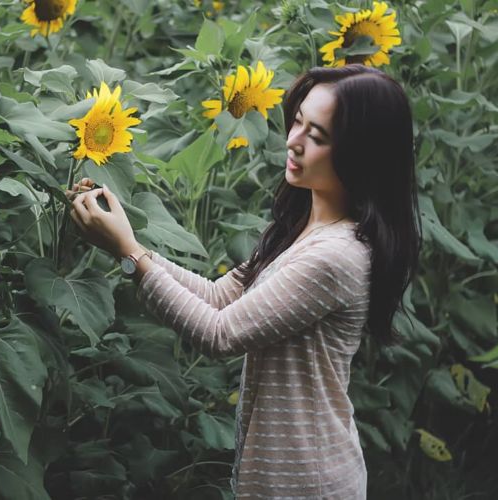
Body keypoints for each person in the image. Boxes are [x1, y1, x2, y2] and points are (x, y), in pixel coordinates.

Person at [65, 64, 421, 499]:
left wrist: (130, 254)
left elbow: (221, 333)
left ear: (361, 155)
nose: (292, 140)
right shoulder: (305, 230)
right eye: (297, 122)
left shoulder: (337, 256)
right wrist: (125, 240)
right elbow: (220, 297)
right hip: (281, 471)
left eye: (318, 136)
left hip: (306, 481)